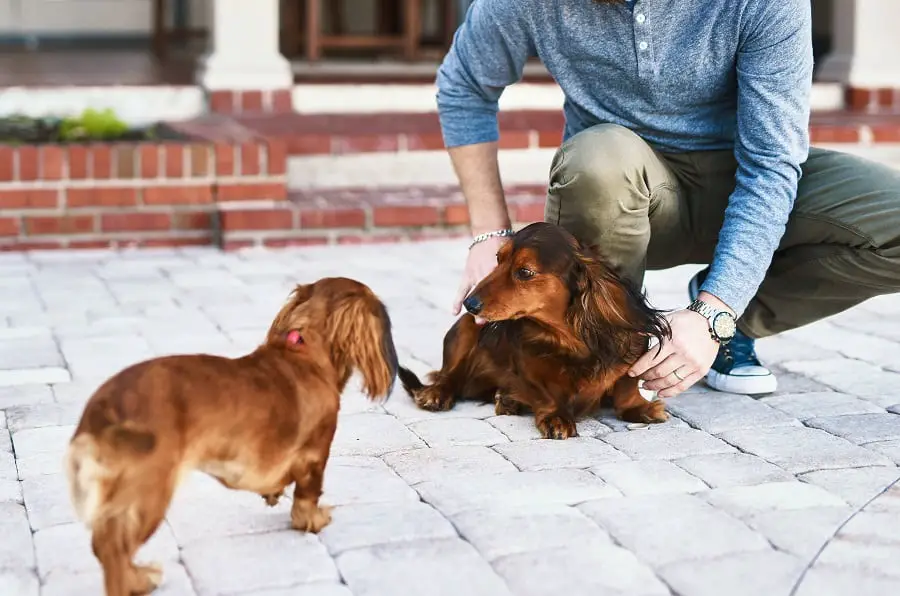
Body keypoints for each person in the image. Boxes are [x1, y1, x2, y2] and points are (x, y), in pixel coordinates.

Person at [435, 0, 900, 398]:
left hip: (745, 172)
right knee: (598, 160)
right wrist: (490, 233)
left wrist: (717, 310)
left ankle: (726, 324)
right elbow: (464, 84)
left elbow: (770, 165)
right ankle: (608, 347)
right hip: (625, 189)